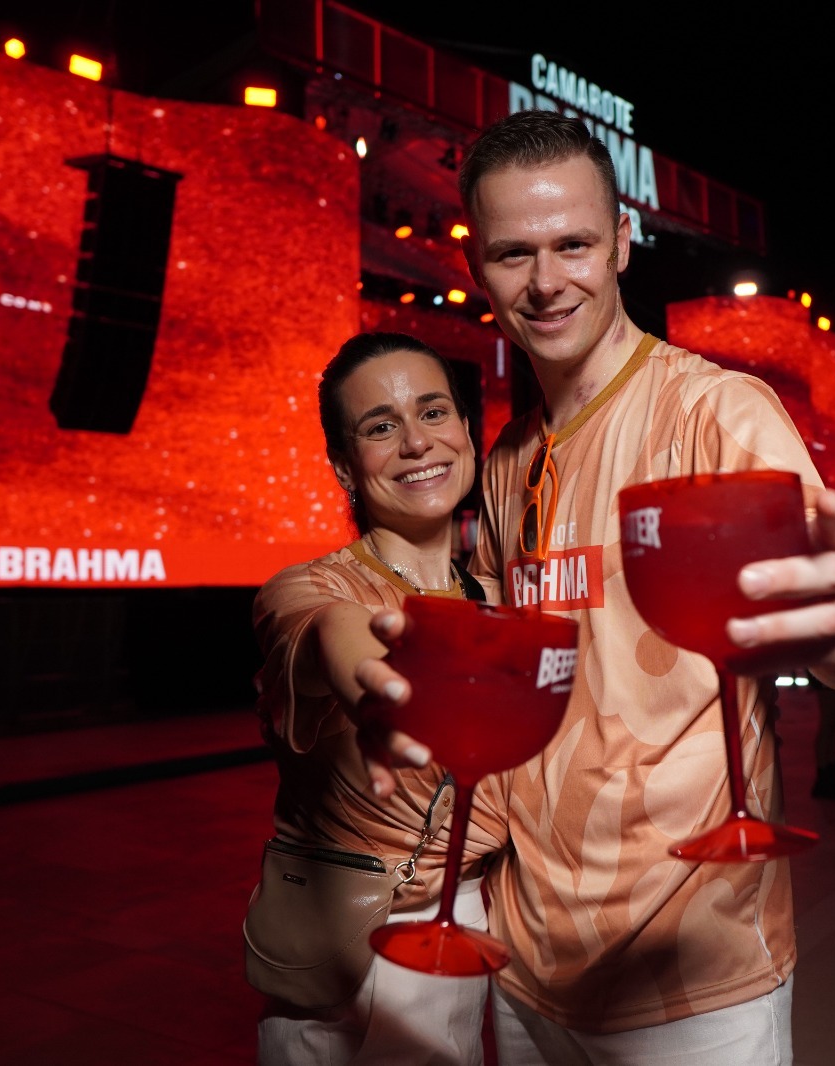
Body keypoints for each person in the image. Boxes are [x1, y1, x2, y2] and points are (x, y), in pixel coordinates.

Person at [355, 110, 835, 1063]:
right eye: (514, 253)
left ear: (621, 242)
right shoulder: (508, 460)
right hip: (527, 960)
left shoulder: (713, 411)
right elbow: (507, 664)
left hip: (694, 971)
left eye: (573, 244)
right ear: (477, 266)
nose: (546, 281)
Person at [248, 332, 505, 1064]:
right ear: (344, 466)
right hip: (326, 939)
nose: (417, 443)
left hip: (449, 930)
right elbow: (323, 630)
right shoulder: (308, 587)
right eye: (381, 426)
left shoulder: (503, 602)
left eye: (434, 413)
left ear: (466, 433)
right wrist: (369, 674)